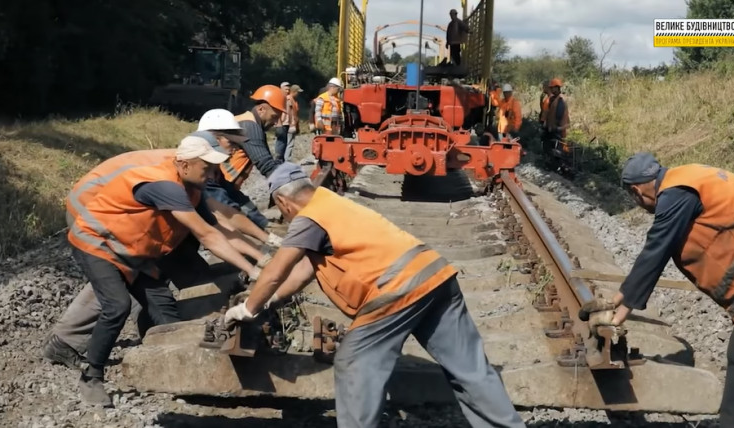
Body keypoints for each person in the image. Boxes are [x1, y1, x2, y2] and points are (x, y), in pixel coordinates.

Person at [224, 162, 526, 428]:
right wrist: (271, 300)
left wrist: (249, 307)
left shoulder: (309, 217)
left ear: (283, 200)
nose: (285, 217)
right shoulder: (332, 204)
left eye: (281, 211)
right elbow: (302, 272)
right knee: (469, 369)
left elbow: (277, 270)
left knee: (353, 361)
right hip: (435, 274)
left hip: (397, 289)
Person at [44, 129, 278, 374]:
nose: (233, 151)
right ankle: (65, 341)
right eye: (231, 143)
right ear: (214, 140)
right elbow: (215, 224)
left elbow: (219, 221)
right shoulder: (178, 173)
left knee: (150, 270)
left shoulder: (194, 167)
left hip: (120, 207)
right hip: (91, 204)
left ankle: (155, 330)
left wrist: (263, 254)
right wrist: (256, 263)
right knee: (115, 272)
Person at [580, 152, 734, 426]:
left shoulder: (677, 194)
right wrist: (618, 299)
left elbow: (657, 248)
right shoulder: (687, 177)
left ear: (636, 191)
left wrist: (620, 313)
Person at [542, 78, 569, 155]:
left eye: (552, 88)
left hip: (558, 130)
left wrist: (555, 127)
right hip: (554, 129)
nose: (551, 89)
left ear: (557, 88)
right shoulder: (554, 99)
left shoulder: (560, 99)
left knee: (559, 150)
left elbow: (559, 115)